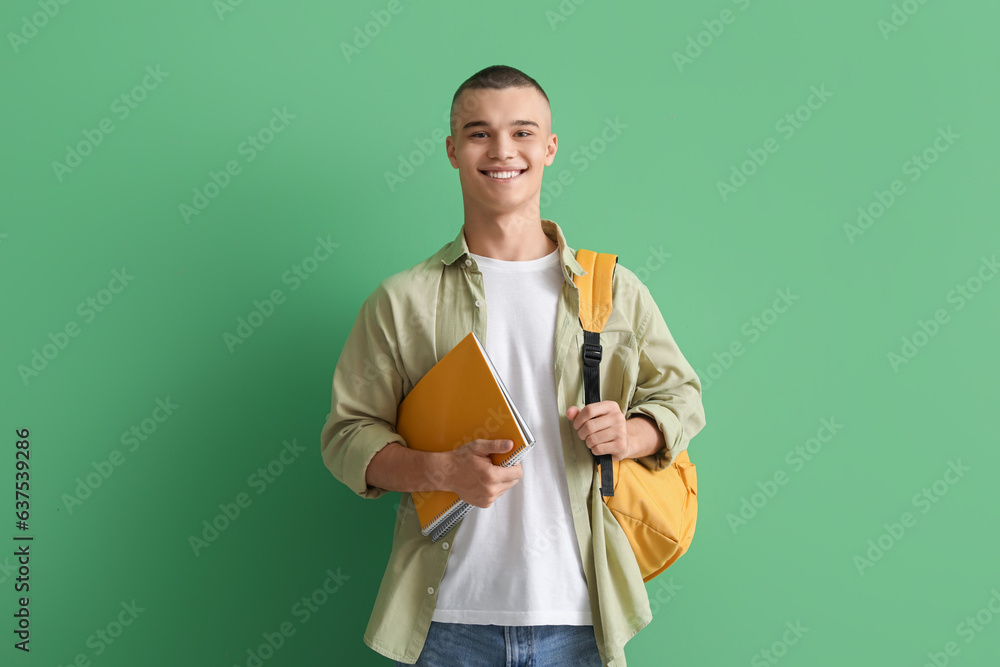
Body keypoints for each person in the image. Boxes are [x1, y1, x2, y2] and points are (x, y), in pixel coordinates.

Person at [320, 65, 706, 666]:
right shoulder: (402, 300)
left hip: (582, 615)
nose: (502, 150)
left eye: (523, 132)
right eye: (478, 133)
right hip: (447, 621)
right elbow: (346, 438)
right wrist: (440, 470)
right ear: (452, 150)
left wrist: (630, 433)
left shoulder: (612, 290)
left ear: (550, 147)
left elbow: (682, 396)